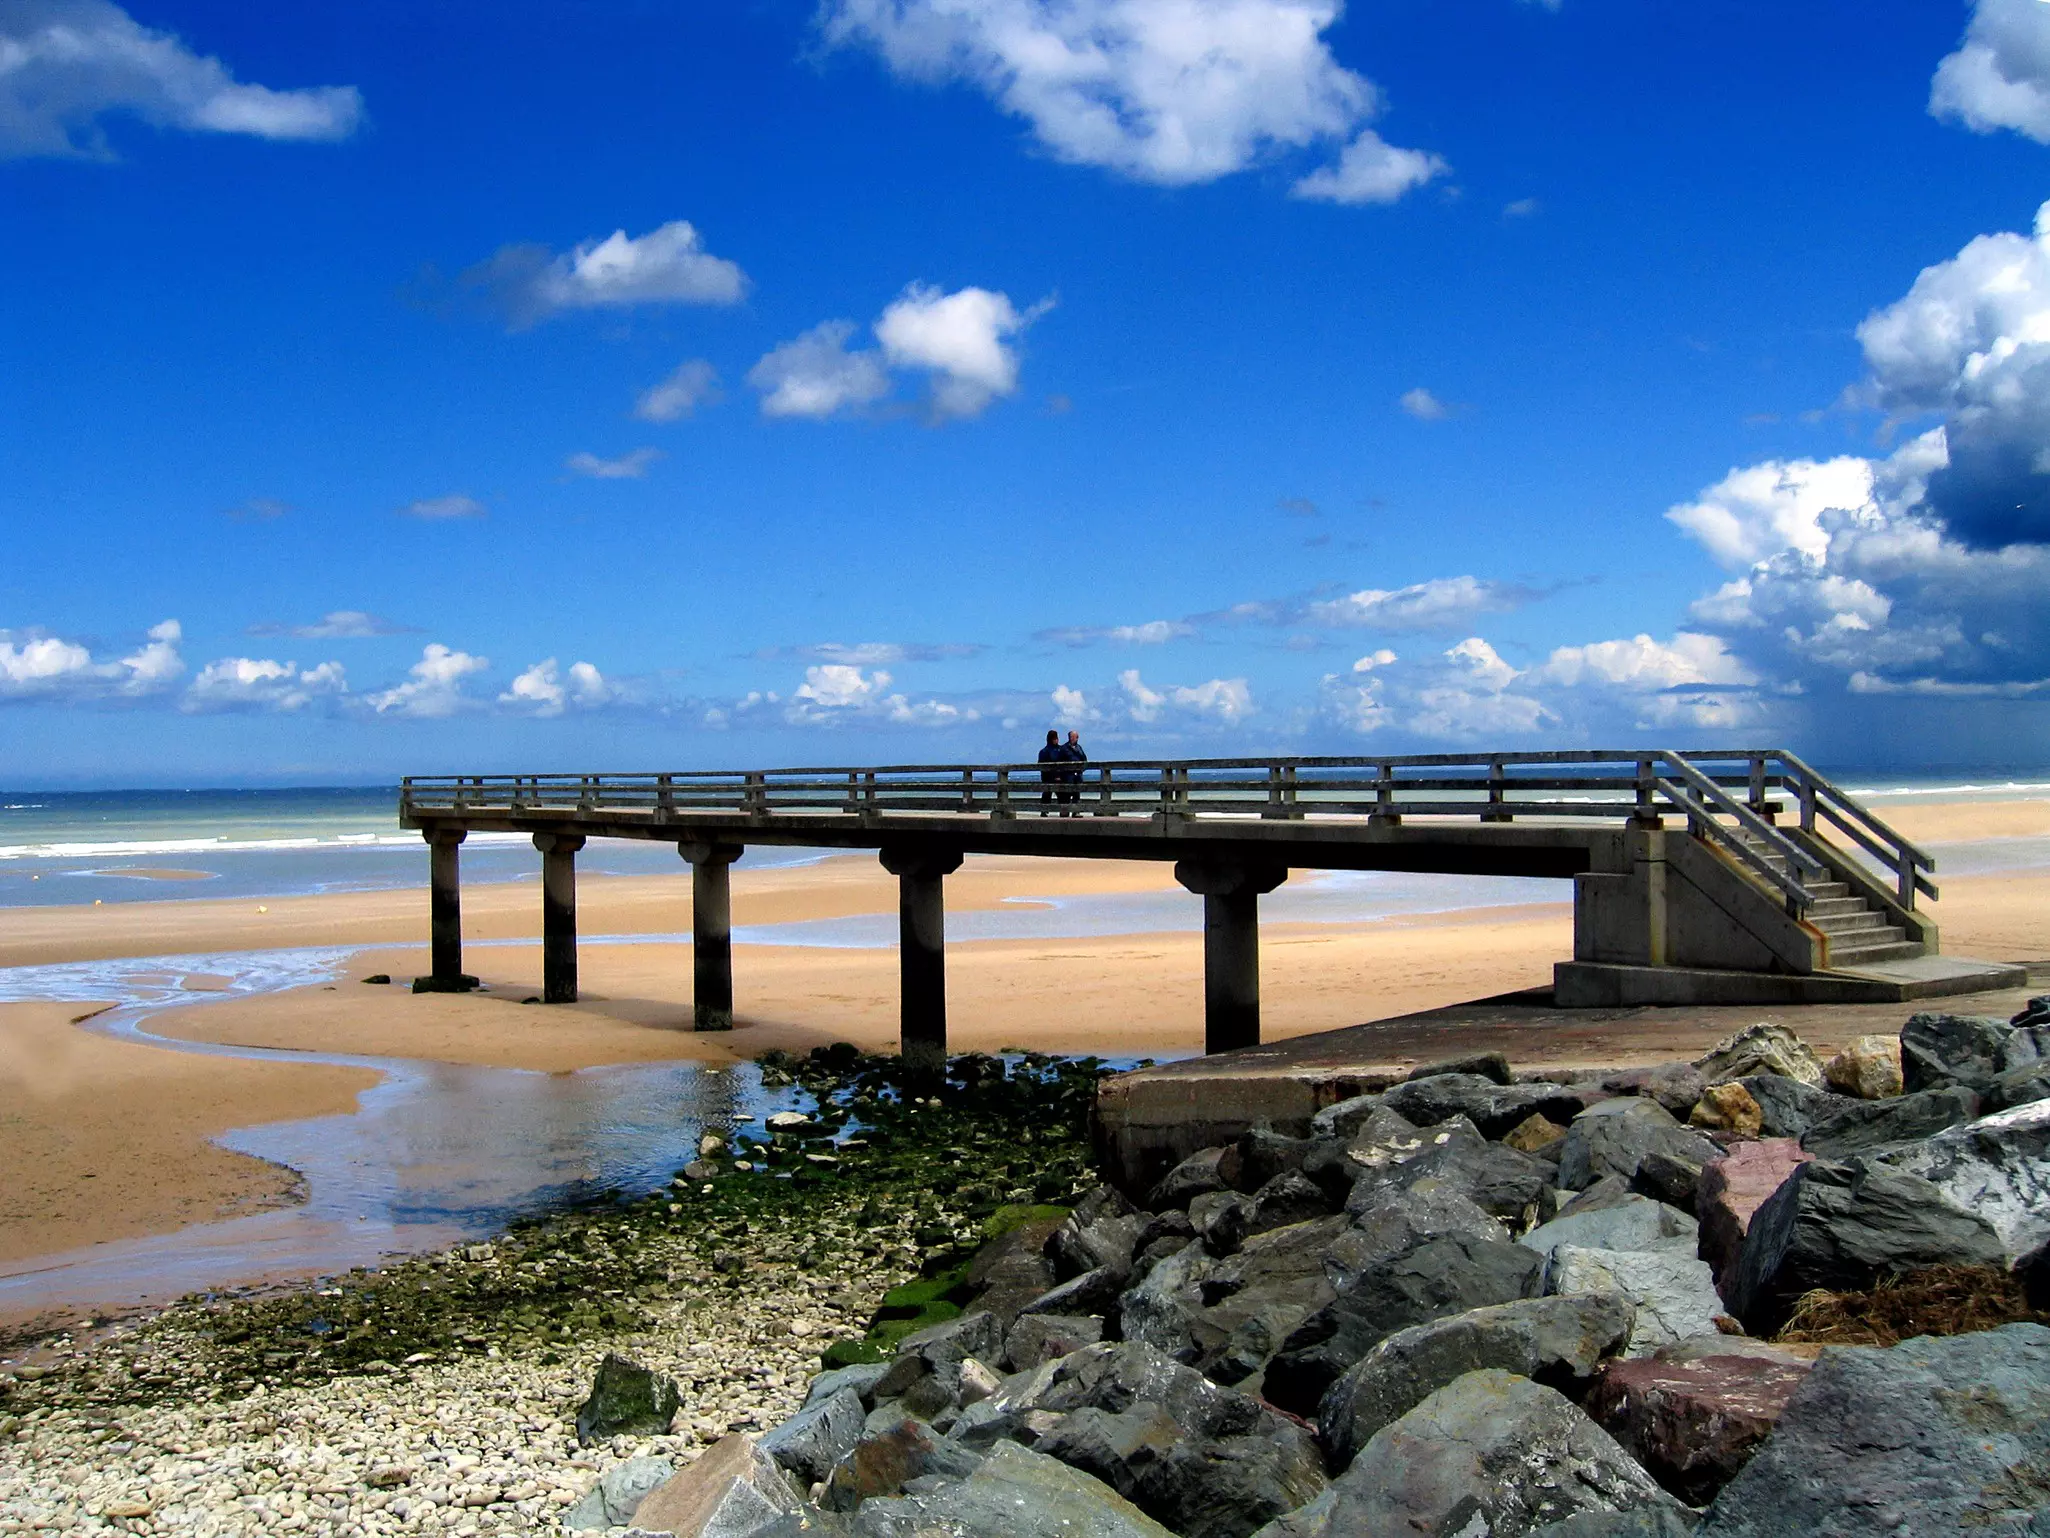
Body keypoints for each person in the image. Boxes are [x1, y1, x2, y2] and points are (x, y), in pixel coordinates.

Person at [1057, 729, 1087, 814]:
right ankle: (1065, 812)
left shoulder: (1079, 748)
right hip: (1067, 775)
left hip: (1078, 774)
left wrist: (1082, 769)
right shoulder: (1064, 748)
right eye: (1072, 737)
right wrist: (1059, 775)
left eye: (1075, 737)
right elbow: (1059, 763)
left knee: (1076, 794)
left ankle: (1076, 811)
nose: (1073, 738)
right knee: (1066, 794)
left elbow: (1084, 759)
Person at [1036, 729, 1062, 815]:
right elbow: (1041, 766)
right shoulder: (1044, 751)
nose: (1056, 740)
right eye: (1054, 738)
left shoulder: (1060, 749)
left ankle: (1063, 811)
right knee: (1047, 794)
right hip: (1048, 777)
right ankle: (1044, 811)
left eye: (1056, 738)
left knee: (1062, 794)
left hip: (1059, 776)